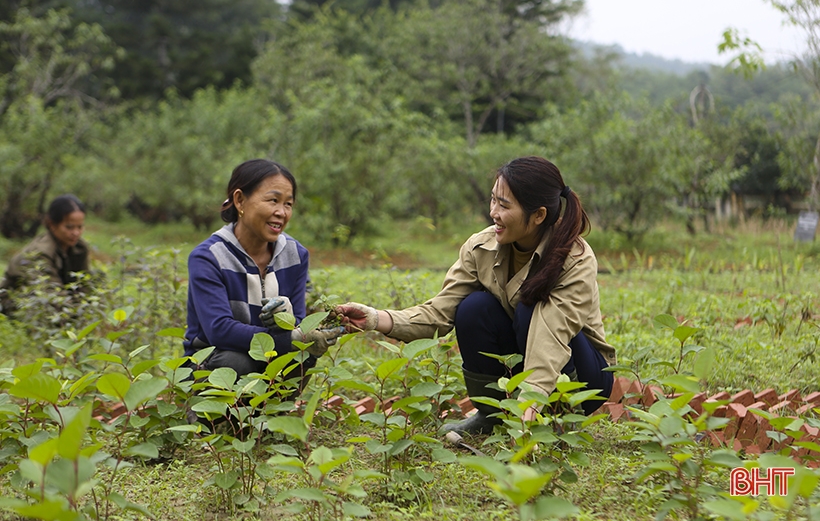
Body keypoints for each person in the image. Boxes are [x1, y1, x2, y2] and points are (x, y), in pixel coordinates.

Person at [337, 156, 616, 435]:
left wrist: (531, 397)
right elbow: (439, 312)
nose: (493, 212)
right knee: (473, 308)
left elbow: (551, 334)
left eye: (504, 205)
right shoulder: (481, 247)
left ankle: (558, 415)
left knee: (531, 308)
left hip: (584, 375)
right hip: (528, 352)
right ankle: (492, 414)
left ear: (539, 215)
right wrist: (375, 318)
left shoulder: (575, 259)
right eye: (493, 200)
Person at [183, 159, 344, 392]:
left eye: (288, 204)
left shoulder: (295, 255)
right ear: (240, 200)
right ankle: (214, 421)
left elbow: (298, 319)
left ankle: (268, 421)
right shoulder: (209, 257)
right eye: (273, 200)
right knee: (236, 362)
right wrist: (290, 338)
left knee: (304, 354)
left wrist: (293, 324)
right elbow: (218, 330)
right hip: (214, 359)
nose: (281, 212)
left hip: (270, 355)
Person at [0, 194, 90, 315]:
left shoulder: (79, 248)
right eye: (69, 227)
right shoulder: (41, 252)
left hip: (56, 302)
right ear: (52, 224)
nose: (76, 233)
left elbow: (85, 284)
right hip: (18, 304)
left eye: (80, 227)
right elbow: (52, 296)